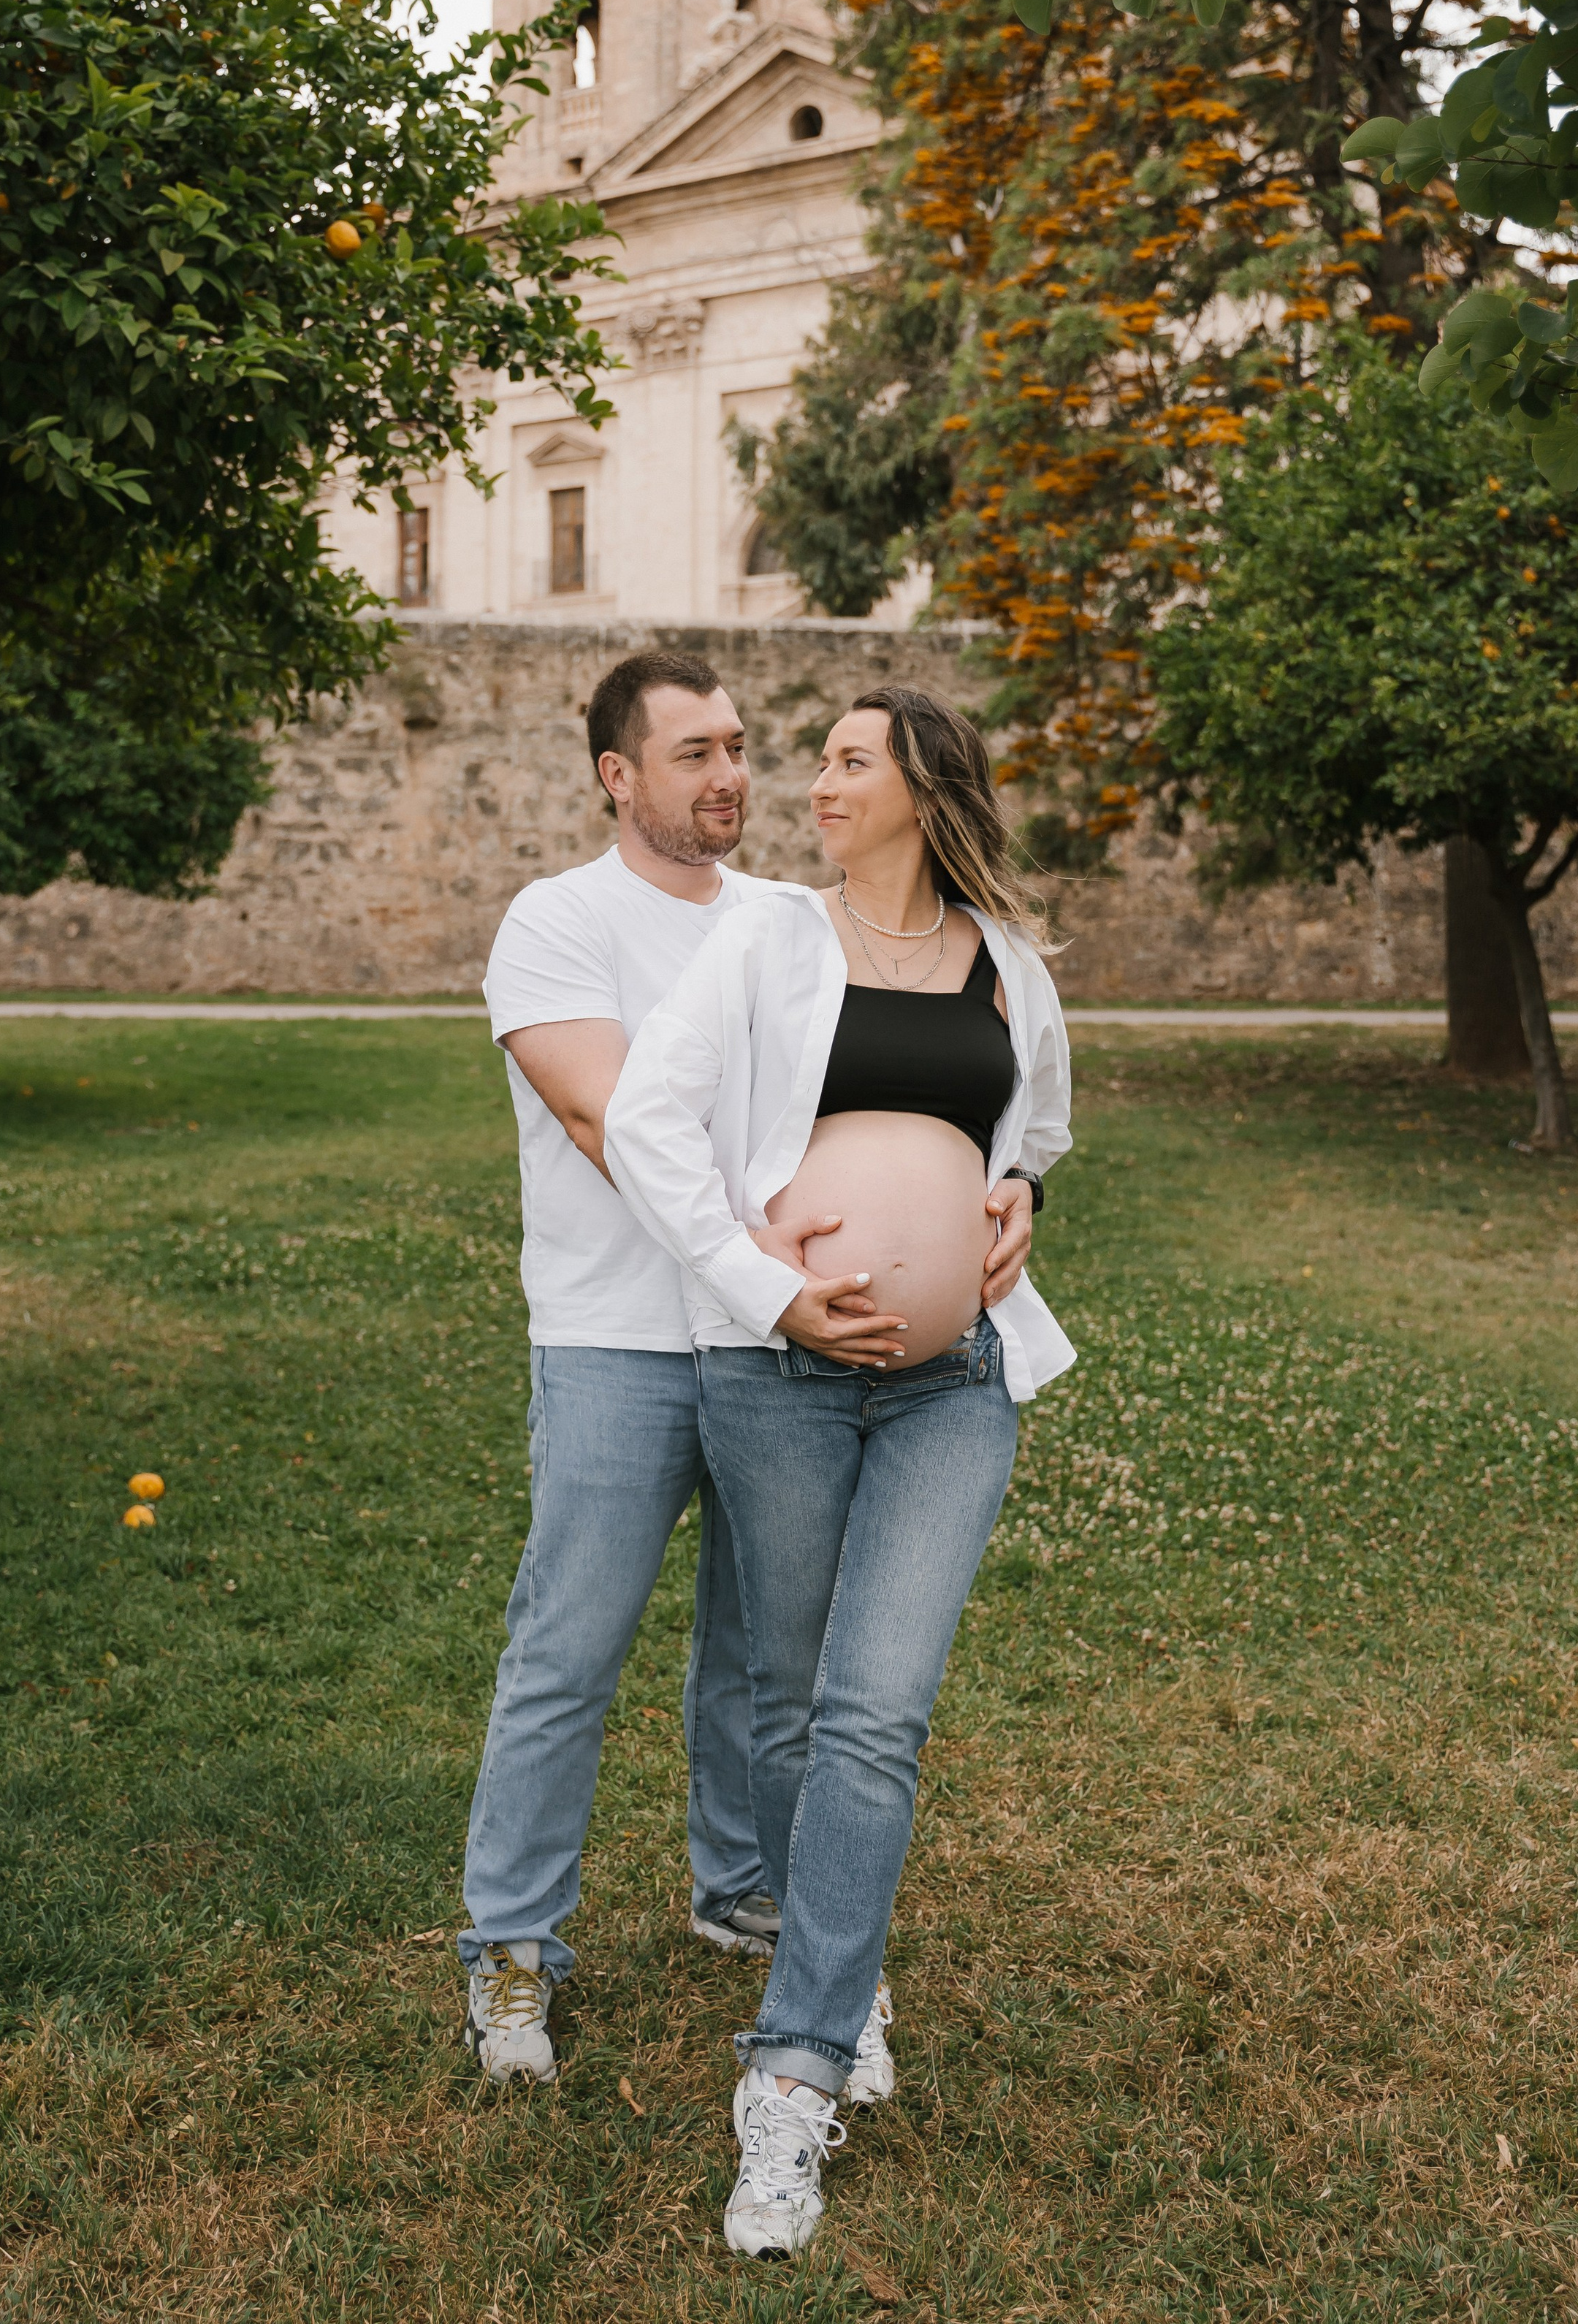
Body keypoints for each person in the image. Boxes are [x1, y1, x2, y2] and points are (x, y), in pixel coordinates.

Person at [460, 652, 1045, 2085]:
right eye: (692, 754)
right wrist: (776, 1270)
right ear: (618, 776)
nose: (732, 777)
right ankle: (512, 1946)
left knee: (762, 1663)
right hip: (623, 1337)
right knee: (569, 1651)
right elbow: (612, 1122)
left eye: (738, 747)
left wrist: (982, 1182)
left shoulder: (792, 921)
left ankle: (745, 1890)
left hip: (790, 1359)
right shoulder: (557, 925)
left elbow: (909, 1088)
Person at [604, 685, 1075, 2258]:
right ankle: (845, 1970)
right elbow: (652, 1123)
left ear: (923, 788)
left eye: (847, 761)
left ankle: (790, 2084)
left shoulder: (1008, 967)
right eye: (816, 759)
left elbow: (1033, 1136)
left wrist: (1005, 1194)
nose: (812, 781)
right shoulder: (765, 941)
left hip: (953, 1387)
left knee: (874, 1714)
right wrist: (767, 1285)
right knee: (789, 1708)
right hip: (778, 1381)